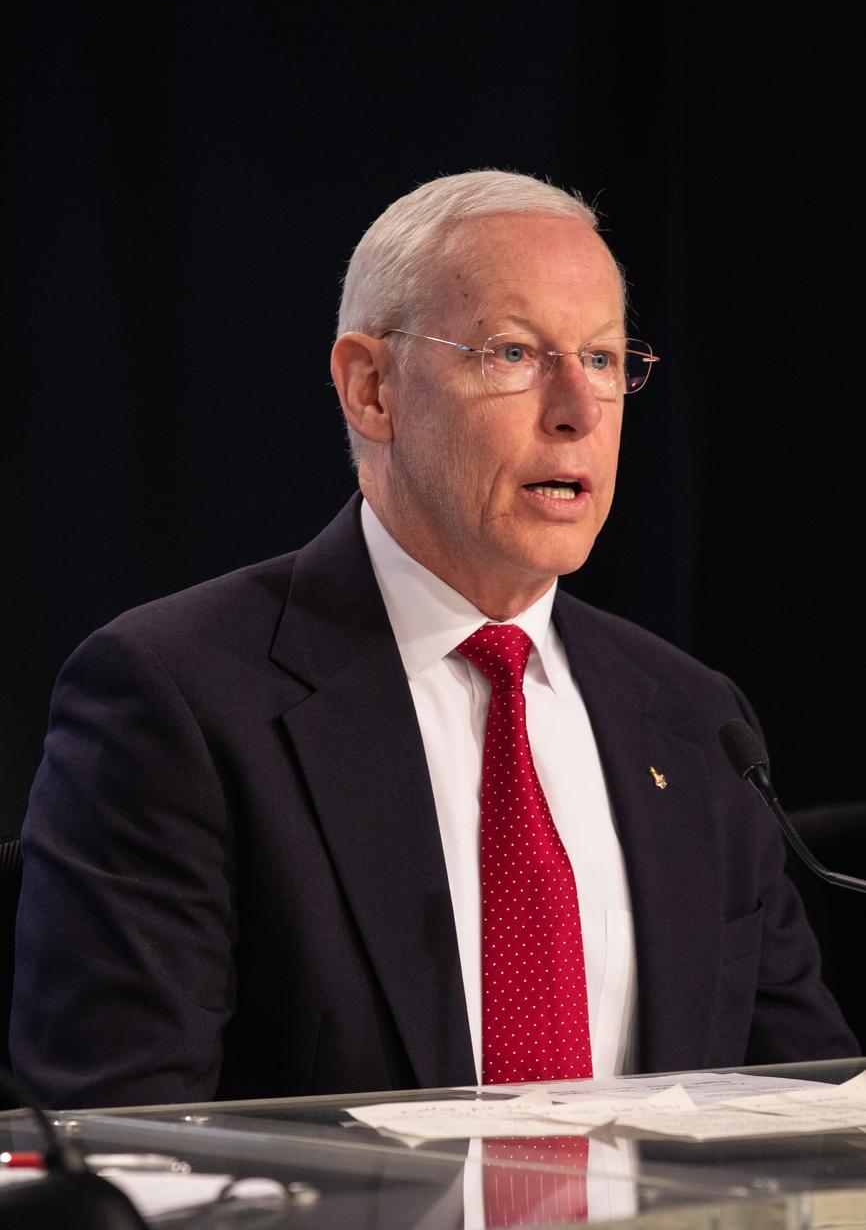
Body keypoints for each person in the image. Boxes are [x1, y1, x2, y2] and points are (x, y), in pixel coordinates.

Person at [10, 169, 858, 1109]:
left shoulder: (698, 722)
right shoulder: (179, 701)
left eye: (604, 359)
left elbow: (808, 1109)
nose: (578, 409)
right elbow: (119, 1132)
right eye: (513, 353)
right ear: (371, 389)